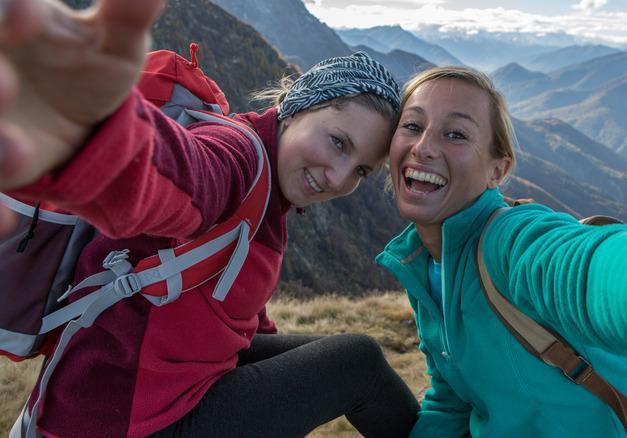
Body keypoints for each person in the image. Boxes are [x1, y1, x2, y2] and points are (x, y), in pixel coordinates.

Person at [0, 0, 420, 437]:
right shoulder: (236, 159)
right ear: (297, 108)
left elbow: (235, 309)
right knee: (357, 363)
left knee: (330, 361)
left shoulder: (271, 196)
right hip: (122, 419)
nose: (338, 177)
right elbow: (177, 175)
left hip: (160, 393)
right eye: (337, 142)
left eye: (361, 170)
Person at [375, 65, 627, 437]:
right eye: (412, 125)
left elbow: (584, 268)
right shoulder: (424, 264)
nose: (424, 147)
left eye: (456, 133)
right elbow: (451, 397)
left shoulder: (511, 240)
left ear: (497, 170)